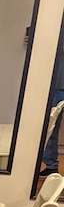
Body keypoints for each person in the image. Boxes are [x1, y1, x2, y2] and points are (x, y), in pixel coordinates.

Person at [40, 48, 64, 176]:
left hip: (58, 85)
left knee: (50, 124)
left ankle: (51, 164)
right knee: (51, 125)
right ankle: (51, 164)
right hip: (56, 85)